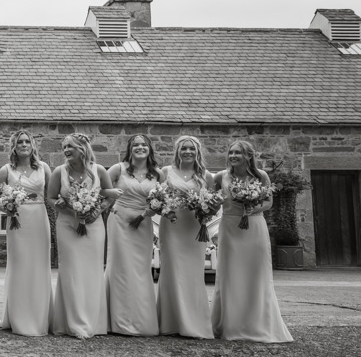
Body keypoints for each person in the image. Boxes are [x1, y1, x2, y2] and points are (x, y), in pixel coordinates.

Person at [211, 141, 293, 343]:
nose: (233, 155)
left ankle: (258, 324)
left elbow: (268, 202)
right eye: (230, 152)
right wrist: (210, 205)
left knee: (256, 274)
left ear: (248, 156)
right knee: (230, 274)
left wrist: (252, 208)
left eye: (238, 152)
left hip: (254, 227)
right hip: (230, 226)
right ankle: (230, 325)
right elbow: (213, 199)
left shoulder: (260, 176)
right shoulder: (221, 176)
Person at [47, 133, 114, 339]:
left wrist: (96, 211)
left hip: (94, 227)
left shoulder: (99, 170)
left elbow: (110, 196)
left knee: (92, 271)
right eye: (64, 147)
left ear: (83, 148)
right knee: (71, 272)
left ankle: (95, 322)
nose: (66, 150)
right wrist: (70, 211)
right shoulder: (59, 172)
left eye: (71, 147)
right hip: (67, 225)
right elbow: (49, 197)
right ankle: (73, 323)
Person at [104, 134, 162, 336]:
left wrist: (151, 211)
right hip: (119, 221)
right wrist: (109, 200)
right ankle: (116, 321)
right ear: (130, 149)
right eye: (135, 145)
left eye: (143, 145)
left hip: (143, 223)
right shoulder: (118, 169)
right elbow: (101, 189)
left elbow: (163, 201)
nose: (140, 148)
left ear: (149, 149)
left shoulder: (157, 174)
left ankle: (140, 319)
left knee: (139, 269)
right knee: (119, 267)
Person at [157, 136, 214, 339]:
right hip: (172, 224)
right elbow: (157, 197)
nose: (187, 151)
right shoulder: (165, 172)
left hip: (194, 227)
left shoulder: (206, 176)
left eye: (191, 148)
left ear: (197, 151)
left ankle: (194, 322)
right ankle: (171, 322)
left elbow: (214, 202)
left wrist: (207, 211)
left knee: (193, 272)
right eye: (184, 148)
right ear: (177, 151)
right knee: (171, 270)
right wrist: (164, 209)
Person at [0, 131, 52, 337]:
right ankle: (18, 317)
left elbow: (52, 196)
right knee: (19, 265)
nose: (24, 144)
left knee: (38, 265)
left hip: (38, 218)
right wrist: (7, 207)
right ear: (13, 146)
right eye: (20, 142)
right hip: (17, 220)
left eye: (28, 141)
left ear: (33, 145)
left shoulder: (44, 168)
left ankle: (40, 315)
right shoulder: (6, 170)